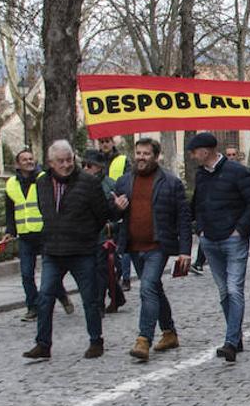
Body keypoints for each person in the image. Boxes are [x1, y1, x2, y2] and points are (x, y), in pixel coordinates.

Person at [22, 140, 111, 360]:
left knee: (89, 298)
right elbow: (45, 211)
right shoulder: (42, 184)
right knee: (45, 298)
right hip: (53, 250)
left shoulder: (88, 182)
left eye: (69, 159)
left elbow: (101, 215)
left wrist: (86, 234)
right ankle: (43, 344)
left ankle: (96, 340)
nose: (66, 165)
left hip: (82, 250)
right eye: (60, 161)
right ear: (51, 163)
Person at [110, 137, 192, 361]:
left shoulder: (171, 182)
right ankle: (169, 332)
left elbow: (183, 219)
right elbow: (113, 214)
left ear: (156, 156)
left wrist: (185, 250)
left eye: (146, 154)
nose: (141, 158)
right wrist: (116, 208)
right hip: (134, 246)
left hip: (158, 246)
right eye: (138, 153)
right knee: (155, 288)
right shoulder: (124, 181)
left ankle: (143, 339)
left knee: (146, 288)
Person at [189, 131, 250, 362]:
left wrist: (240, 229)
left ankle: (230, 341)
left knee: (234, 289)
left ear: (207, 150)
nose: (192, 156)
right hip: (210, 240)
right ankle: (235, 336)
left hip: (233, 239)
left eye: (194, 151)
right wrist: (199, 228)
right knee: (223, 291)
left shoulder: (236, 171)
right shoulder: (201, 175)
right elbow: (198, 204)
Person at [5, 148, 74, 319]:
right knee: (26, 274)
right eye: (24, 159)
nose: (29, 161)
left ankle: (61, 295)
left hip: (45, 234)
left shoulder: (45, 179)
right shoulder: (11, 183)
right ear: (17, 164)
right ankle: (33, 307)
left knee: (50, 274)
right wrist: (9, 230)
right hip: (25, 235)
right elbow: (10, 210)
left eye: (31, 158)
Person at [80, 149, 126, 314]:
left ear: (98, 167)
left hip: (105, 235)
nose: (85, 168)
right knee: (98, 270)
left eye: (89, 165)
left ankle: (98, 304)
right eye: (83, 165)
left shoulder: (111, 185)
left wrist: (112, 227)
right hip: (86, 234)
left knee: (100, 269)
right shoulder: (80, 184)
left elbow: (121, 211)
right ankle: (118, 296)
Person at [97, 135, 131, 290]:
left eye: (107, 141)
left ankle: (125, 278)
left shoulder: (122, 159)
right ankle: (114, 286)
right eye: (102, 142)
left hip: (120, 204)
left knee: (123, 246)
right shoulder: (95, 159)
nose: (104, 144)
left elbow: (129, 179)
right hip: (103, 205)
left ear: (112, 142)